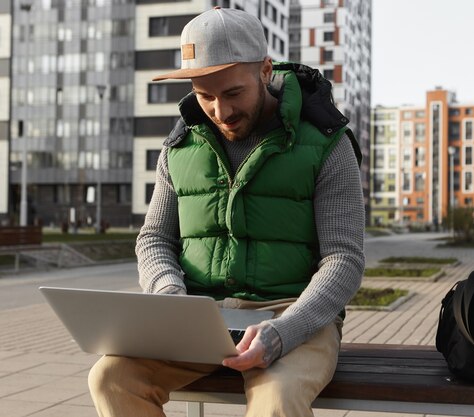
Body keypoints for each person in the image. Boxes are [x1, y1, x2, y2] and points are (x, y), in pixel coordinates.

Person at [87, 7, 365, 417]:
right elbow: (155, 238)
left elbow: (344, 259)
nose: (220, 111)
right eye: (205, 96)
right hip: (199, 317)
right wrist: (169, 296)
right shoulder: (179, 146)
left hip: (292, 313)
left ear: (265, 70)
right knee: (110, 379)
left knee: (278, 402)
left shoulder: (327, 143)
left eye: (233, 93)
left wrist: (284, 331)